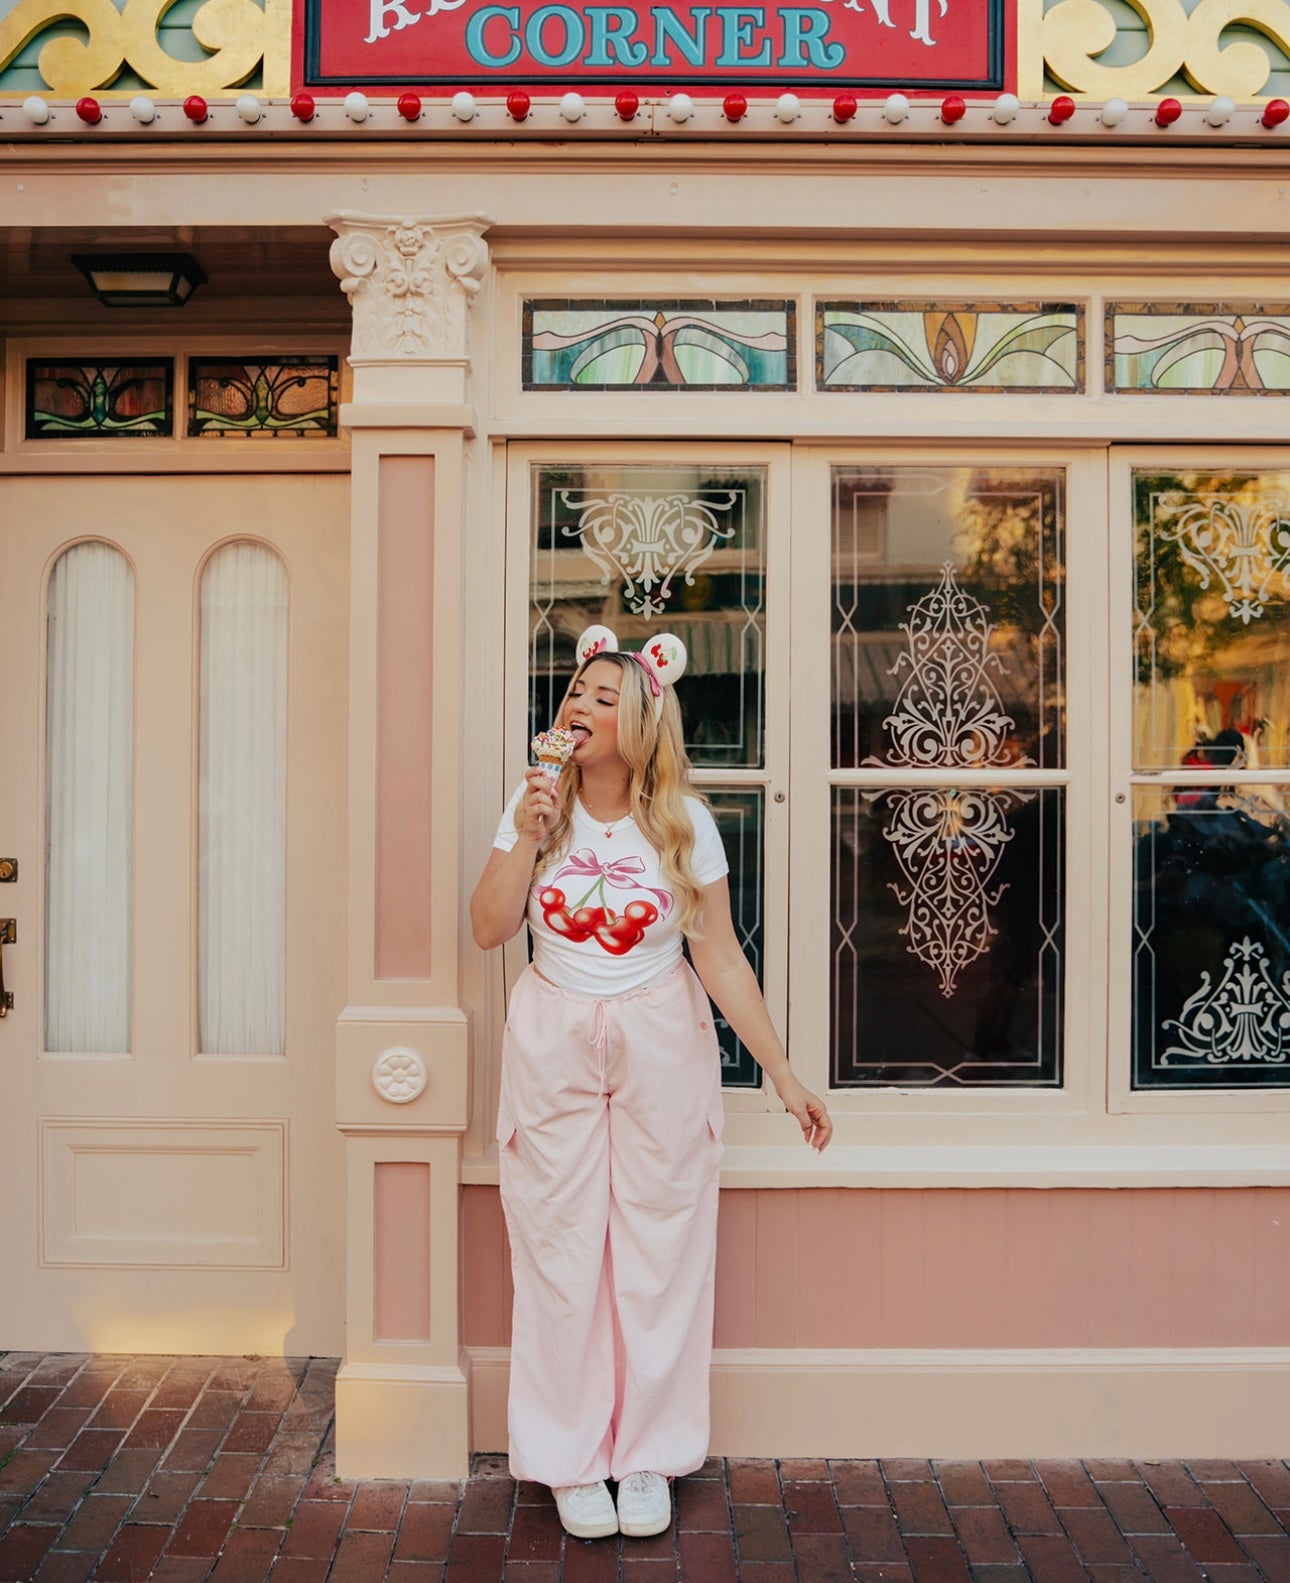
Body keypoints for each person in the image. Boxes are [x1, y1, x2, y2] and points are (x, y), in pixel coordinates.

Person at [470, 624, 832, 1542]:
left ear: (641, 719)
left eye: (600, 695)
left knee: (660, 1247)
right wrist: (528, 829)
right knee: (558, 1247)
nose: (577, 706)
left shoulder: (683, 823)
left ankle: (646, 1455)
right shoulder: (530, 806)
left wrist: (783, 1072)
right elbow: (484, 927)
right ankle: (568, 1458)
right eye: (573, 692)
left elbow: (719, 958)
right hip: (553, 1037)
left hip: (660, 1038)